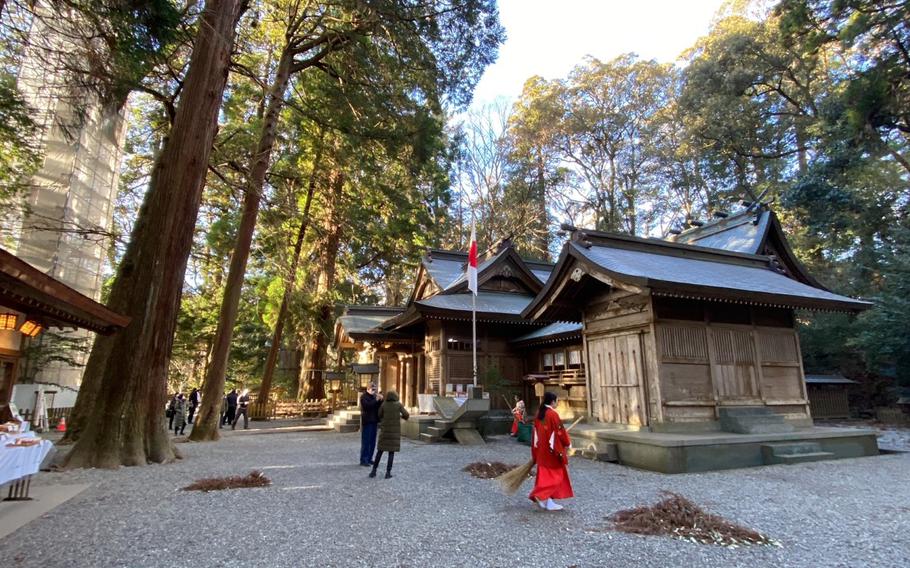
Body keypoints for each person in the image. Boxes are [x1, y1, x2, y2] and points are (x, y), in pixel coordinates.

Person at [529, 391, 573, 511]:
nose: (557, 403)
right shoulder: (553, 414)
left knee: (544, 475)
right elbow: (560, 431)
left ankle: (548, 500)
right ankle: (540, 495)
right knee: (556, 476)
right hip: (552, 450)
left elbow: (536, 433)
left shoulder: (539, 413)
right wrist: (567, 443)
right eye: (557, 401)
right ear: (553, 401)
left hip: (542, 449)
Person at [369, 390, 409, 479]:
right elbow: (406, 414)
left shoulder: (384, 404)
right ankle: (388, 473)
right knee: (391, 453)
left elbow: (379, 415)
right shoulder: (398, 404)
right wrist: (400, 416)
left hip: (384, 432)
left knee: (380, 452)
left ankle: (373, 471)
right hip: (394, 434)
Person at [359, 383, 383, 466]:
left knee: (372, 441)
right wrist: (376, 400)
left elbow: (378, 407)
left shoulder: (374, 397)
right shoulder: (363, 397)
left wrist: (380, 400)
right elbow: (367, 406)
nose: (374, 391)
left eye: (375, 389)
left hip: (374, 421)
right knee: (366, 441)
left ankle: (369, 458)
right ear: (368, 389)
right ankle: (363, 459)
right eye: (372, 389)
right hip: (367, 421)